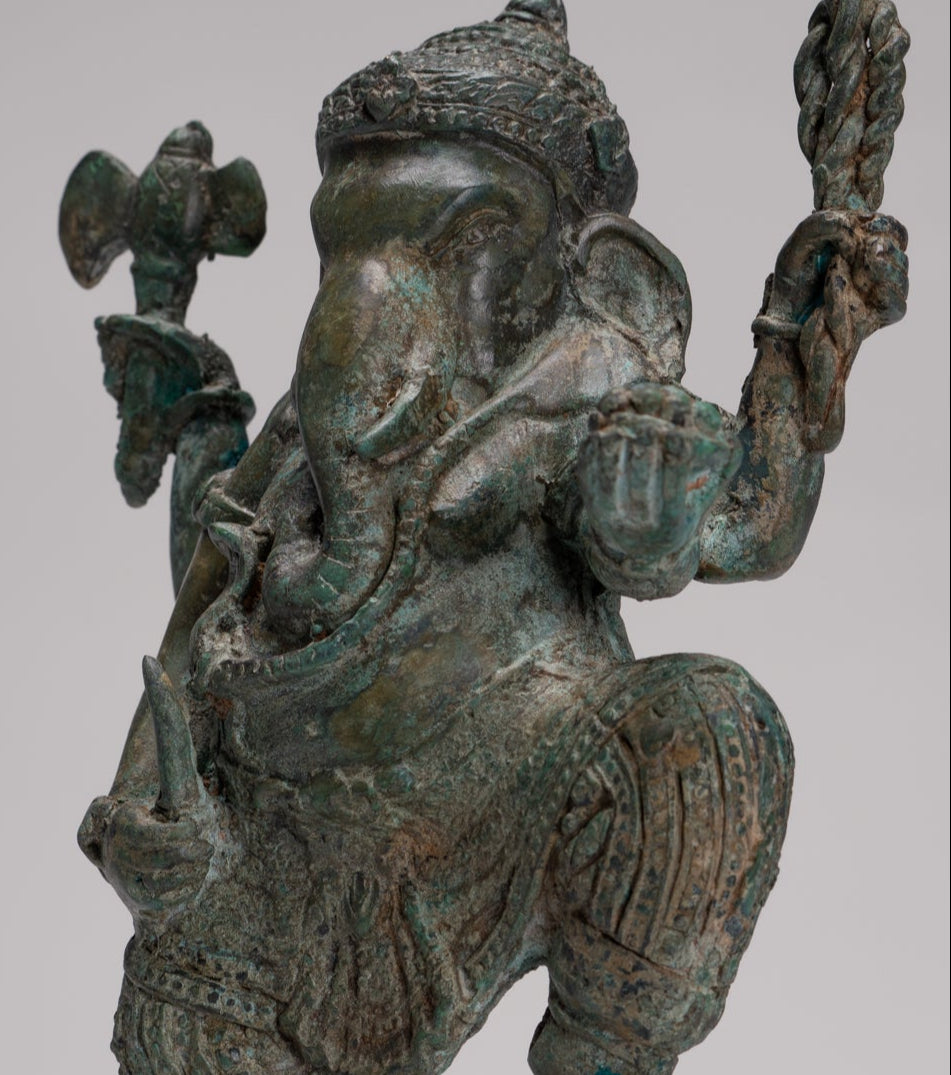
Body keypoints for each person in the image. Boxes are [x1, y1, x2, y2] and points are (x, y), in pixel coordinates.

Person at [77, 3, 908, 1073]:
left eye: (458, 241)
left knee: (708, 733)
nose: (368, 295)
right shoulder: (296, 452)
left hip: (507, 794)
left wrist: (808, 329)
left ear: (585, 271)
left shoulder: (586, 397)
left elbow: (745, 529)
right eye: (347, 242)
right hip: (273, 865)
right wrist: (149, 820)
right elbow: (194, 622)